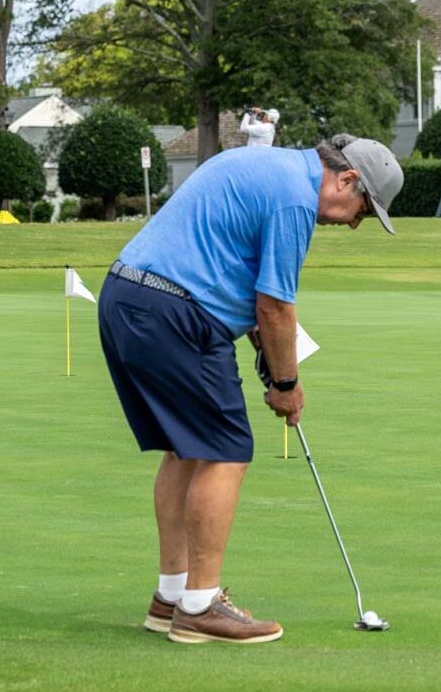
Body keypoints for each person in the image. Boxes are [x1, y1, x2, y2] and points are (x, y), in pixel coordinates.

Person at [97, 133, 402, 645]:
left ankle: (171, 596)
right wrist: (286, 385)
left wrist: (266, 347)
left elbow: (238, 274)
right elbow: (275, 308)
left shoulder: (267, 164)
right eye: (363, 210)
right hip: (175, 313)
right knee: (226, 450)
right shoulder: (294, 200)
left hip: (127, 297)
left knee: (186, 450)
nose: (353, 223)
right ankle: (199, 606)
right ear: (346, 179)